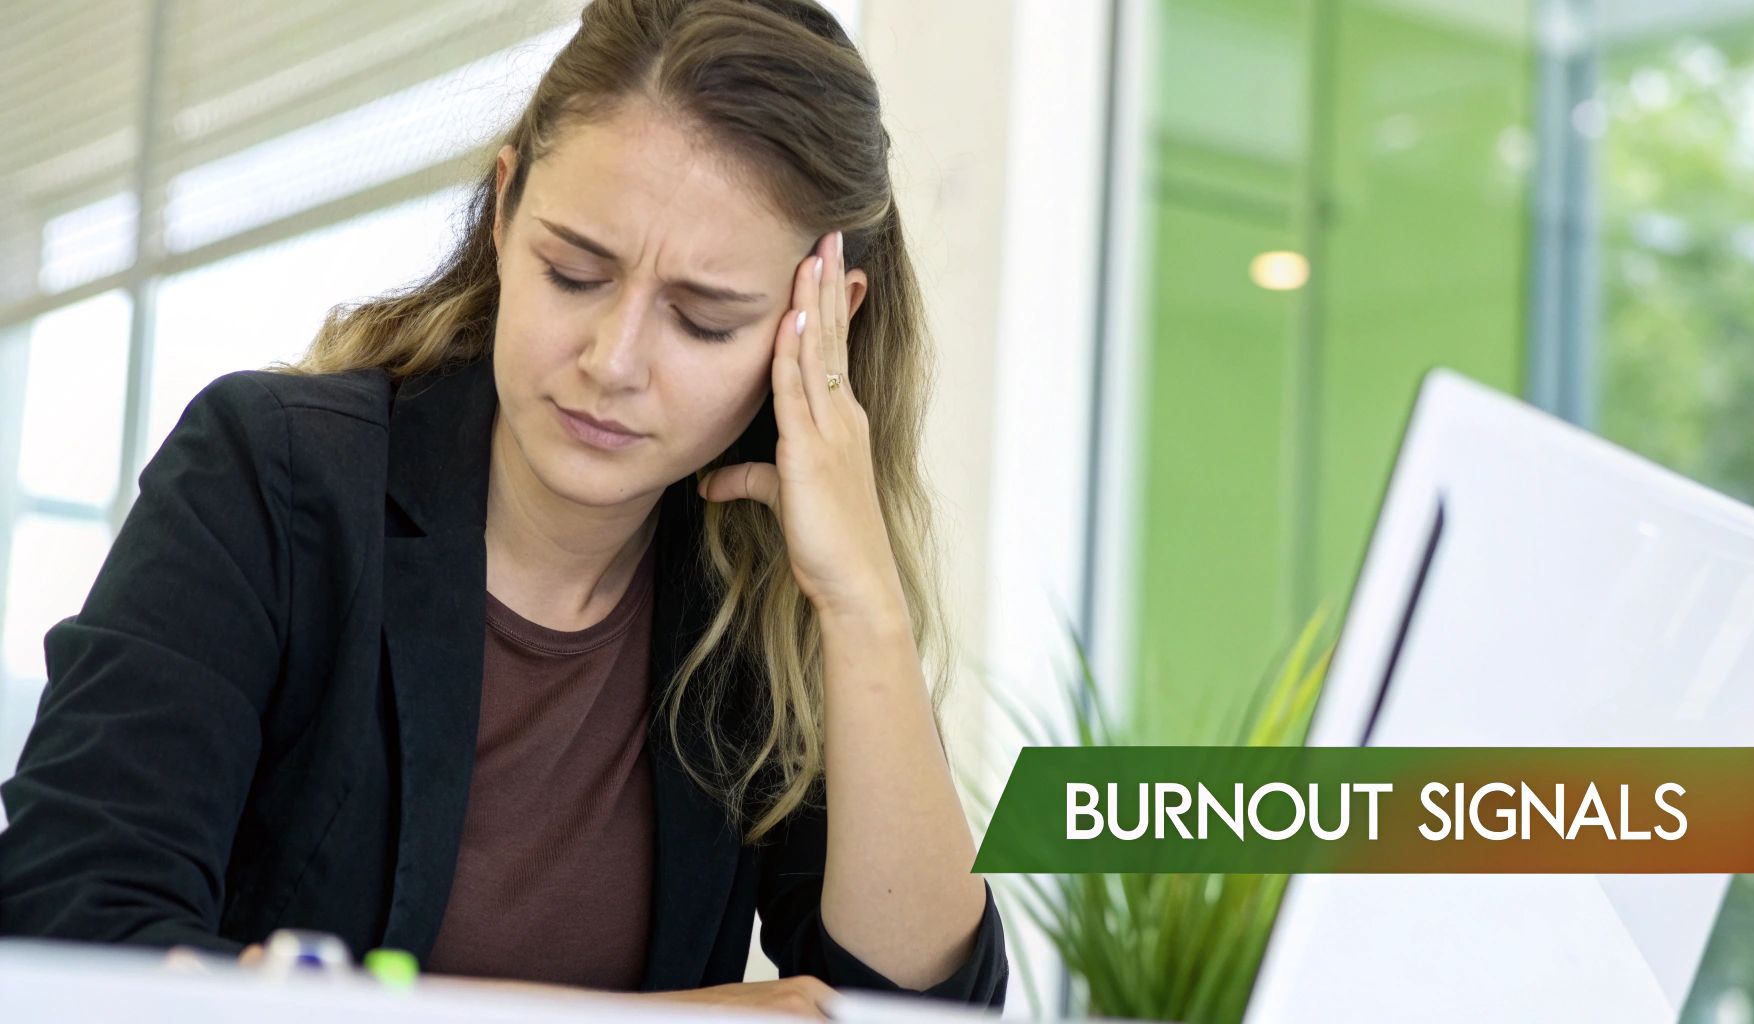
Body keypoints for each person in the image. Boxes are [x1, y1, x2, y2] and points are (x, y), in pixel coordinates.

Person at [0, 0, 1008, 1017]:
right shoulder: (270, 474)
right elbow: (69, 925)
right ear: (505, 206)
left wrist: (861, 606)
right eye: (573, 272)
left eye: (703, 321)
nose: (611, 363)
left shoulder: (757, 593)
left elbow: (920, 1005)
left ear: (817, 325)